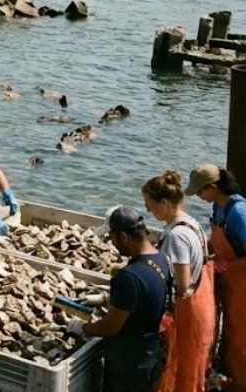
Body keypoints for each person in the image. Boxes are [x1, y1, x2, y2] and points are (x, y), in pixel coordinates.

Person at [67, 206, 171, 392]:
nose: (110, 242)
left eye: (112, 236)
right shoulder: (161, 259)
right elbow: (145, 301)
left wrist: (82, 327)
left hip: (129, 362)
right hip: (150, 353)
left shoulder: (129, 276)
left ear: (123, 236)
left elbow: (110, 327)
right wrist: (109, 300)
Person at [141, 170, 215, 392]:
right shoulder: (192, 224)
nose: (147, 210)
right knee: (195, 368)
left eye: (149, 204)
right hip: (204, 303)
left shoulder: (176, 236)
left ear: (163, 203)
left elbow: (181, 285)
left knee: (180, 369)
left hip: (188, 312)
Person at [187, 164, 245, 392]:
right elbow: (220, 241)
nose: (199, 196)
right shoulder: (218, 208)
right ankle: (229, 378)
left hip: (242, 284)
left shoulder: (239, 212)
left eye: (200, 191)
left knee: (241, 337)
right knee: (229, 332)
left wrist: (224, 265)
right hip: (230, 282)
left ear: (212, 187)